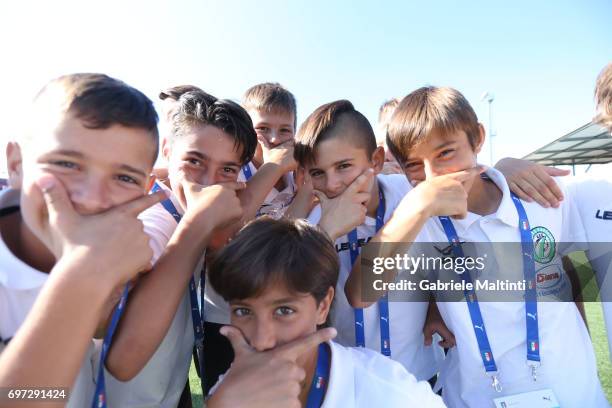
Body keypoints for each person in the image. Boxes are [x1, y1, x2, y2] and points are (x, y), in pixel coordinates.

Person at [346, 85, 608, 407]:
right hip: (474, 397)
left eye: (445, 153)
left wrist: (584, 345)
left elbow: (574, 274)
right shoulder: (416, 224)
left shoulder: (543, 197)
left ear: (478, 138)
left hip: (573, 390)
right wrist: (416, 210)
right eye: (414, 165)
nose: (433, 176)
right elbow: (360, 294)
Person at [0, 73, 166, 406]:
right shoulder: (102, 261)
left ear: (146, 188)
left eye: (123, 177)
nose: (92, 199)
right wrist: (84, 278)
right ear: (16, 164)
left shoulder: (127, 253)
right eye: (66, 163)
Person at [208, 217, 445, 407]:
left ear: (323, 306)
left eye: (284, 310)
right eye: (242, 311)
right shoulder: (232, 390)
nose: (261, 341)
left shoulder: (388, 392)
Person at [294, 99, 449, 383]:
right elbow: (290, 293)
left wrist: (436, 305)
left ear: (376, 160)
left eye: (343, 166)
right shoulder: (310, 225)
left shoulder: (414, 195)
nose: (332, 184)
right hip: (346, 380)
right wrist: (327, 230)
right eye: (318, 172)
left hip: (417, 374)